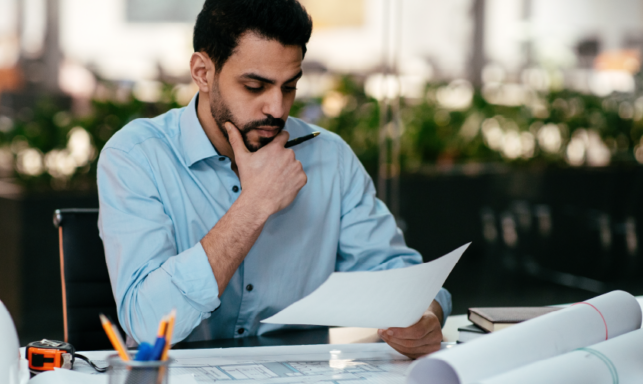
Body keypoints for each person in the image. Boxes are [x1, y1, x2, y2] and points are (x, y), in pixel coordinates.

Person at [97, 0, 451, 359]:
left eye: (289, 87)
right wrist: (254, 205)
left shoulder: (330, 157)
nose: (277, 109)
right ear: (203, 72)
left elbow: (398, 275)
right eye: (254, 86)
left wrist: (424, 315)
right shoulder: (136, 156)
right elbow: (147, 324)